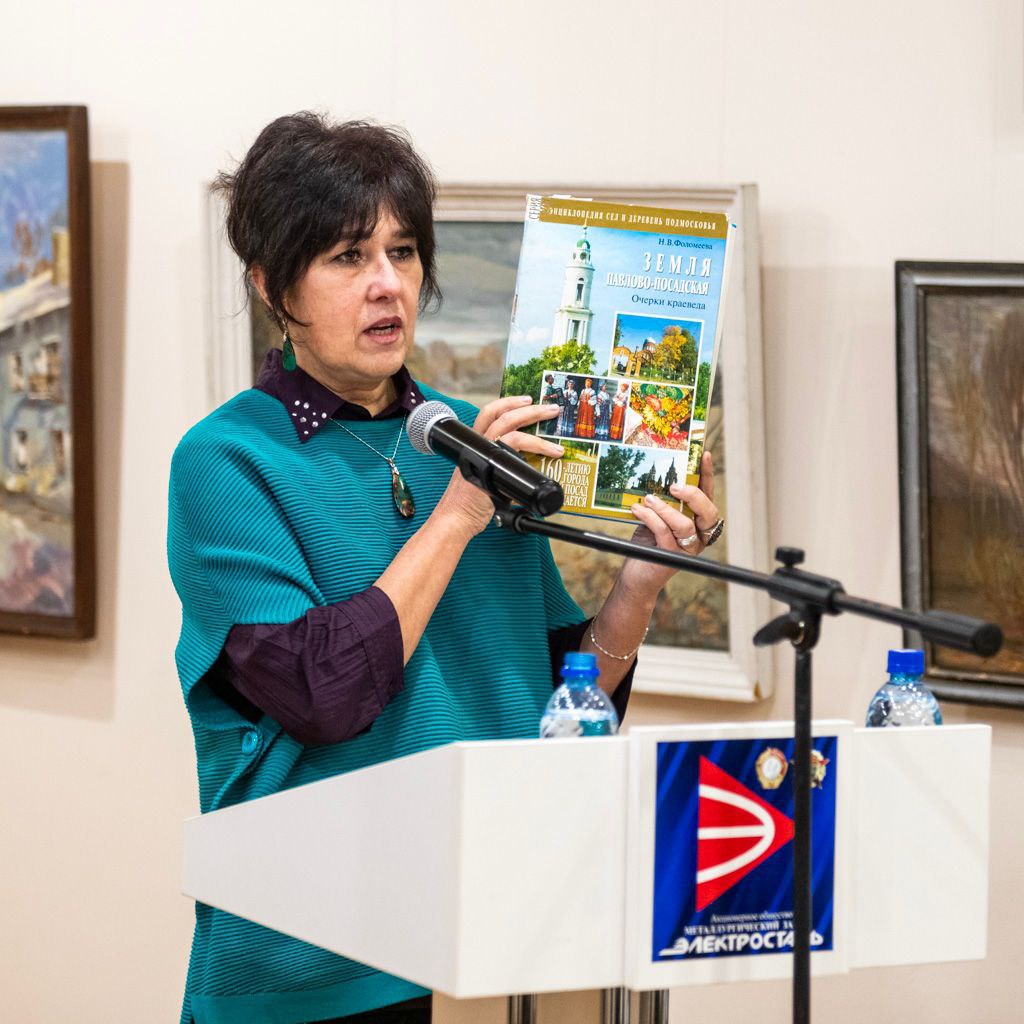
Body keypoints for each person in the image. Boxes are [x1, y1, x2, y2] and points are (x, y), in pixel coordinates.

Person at [167, 112, 722, 1024]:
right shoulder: (227, 462)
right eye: (348, 257)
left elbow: (565, 702)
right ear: (271, 285)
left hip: (488, 941)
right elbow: (321, 694)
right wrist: (459, 514)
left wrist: (638, 585)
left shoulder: (475, 443)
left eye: (403, 251)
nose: (388, 283)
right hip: (315, 963)